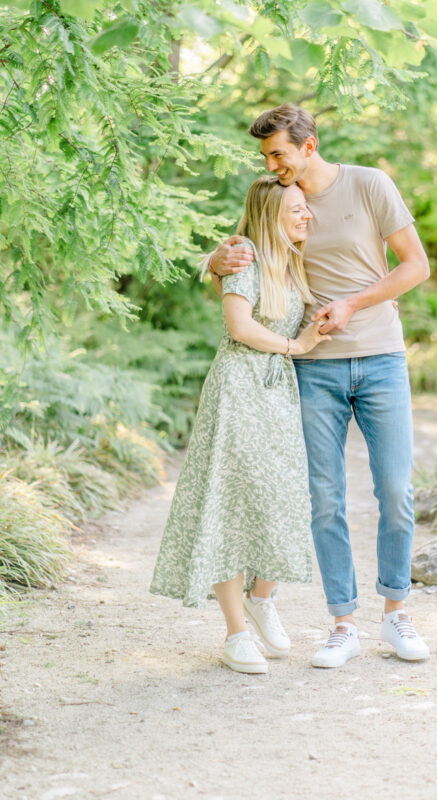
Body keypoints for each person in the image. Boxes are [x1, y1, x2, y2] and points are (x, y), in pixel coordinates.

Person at [209, 104, 432, 668]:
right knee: (325, 499)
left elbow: (415, 267)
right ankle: (342, 623)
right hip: (313, 368)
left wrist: (354, 302)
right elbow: (242, 253)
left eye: (279, 152)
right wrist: (214, 261)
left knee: (396, 494)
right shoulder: (277, 199)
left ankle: (396, 614)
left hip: (381, 357)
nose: (272, 162)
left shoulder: (369, 185)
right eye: (266, 156)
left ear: (309, 145)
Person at [150, 175, 325, 674]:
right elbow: (240, 327)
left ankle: (261, 596)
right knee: (230, 501)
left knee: (281, 495)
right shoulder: (246, 253)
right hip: (239, 387)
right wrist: (298, 346)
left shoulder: (291, 259)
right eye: (295, 209)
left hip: (275, 392)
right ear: (271, 214)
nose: (305, 216)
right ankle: (235, 632)